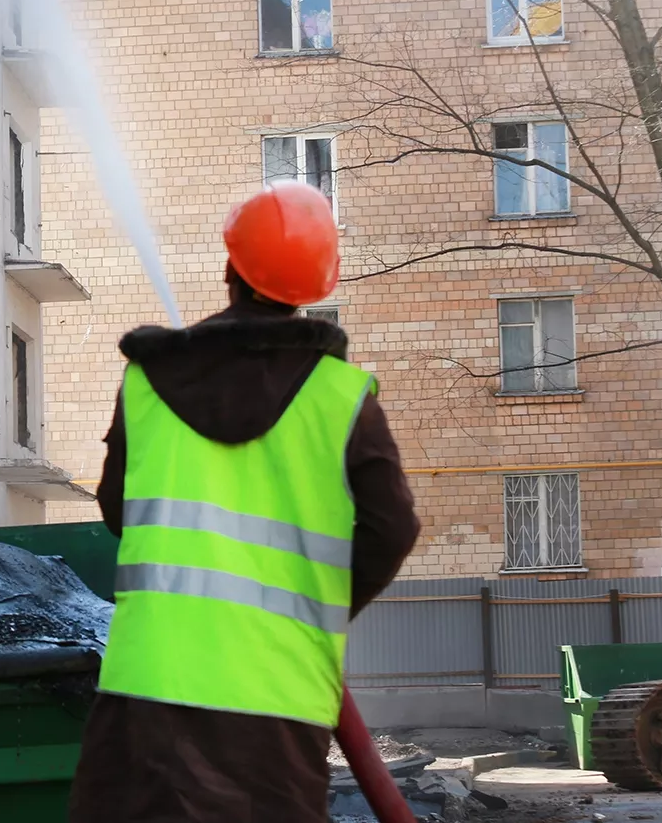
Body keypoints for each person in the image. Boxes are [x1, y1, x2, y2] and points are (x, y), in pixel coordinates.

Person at [68, 181, 420, 823]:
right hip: (277, 704)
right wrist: (314, 608)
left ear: (231, 270)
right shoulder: (341, 399)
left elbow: (121, 511)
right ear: (317, 287)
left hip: (148, 693)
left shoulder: (144, 383)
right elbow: (392, 529)